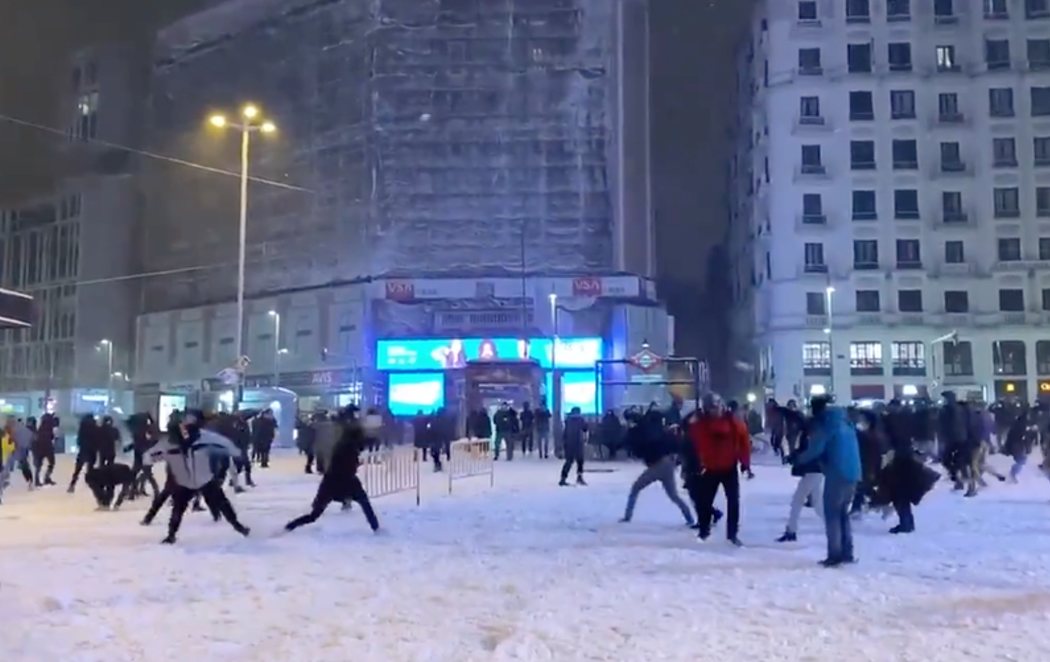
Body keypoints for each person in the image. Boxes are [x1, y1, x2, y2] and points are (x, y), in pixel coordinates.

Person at [144, 412, 250, 544]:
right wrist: (162, 456)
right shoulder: (170, 443)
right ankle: (171, 534)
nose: (185, 431)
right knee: (178, 508)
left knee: (222, 503)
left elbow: (225, 445)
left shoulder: (205, 438)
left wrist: (234, 453)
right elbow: (150, 456)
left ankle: (237, 526)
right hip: (185, 481)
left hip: (203, 478)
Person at [791, 400, 862, 567]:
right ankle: (847, 552)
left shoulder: (828, 426)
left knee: (832, 514)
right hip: (854, 473)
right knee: (843, 513)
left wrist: (798, 459)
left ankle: (834, 554)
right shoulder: (847, 424)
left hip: (837, 473)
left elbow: (815, 449)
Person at [285, 421, 379, 533]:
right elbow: (346, 466)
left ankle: (289, 527)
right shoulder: (348, 447)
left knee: (314, 515)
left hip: (331, 483)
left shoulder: (345, 445)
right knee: (364, 502)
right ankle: (376, 528)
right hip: (343, 481)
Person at [688, 393, 750, 545]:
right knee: (704, 501)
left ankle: (731, 534)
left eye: (716, 407)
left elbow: (743, 442)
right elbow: (693, 440)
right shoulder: (701, 424)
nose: (715, 411)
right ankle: (704, 530)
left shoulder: (733, 422)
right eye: (711, 408)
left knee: (733, 502)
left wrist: (745, 462)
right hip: (711, 467)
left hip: (728, 466)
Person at [621, 415, 694, 526]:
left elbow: (637, 447)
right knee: (673, 495)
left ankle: (627, 516)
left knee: (636, 487)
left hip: (658, 465)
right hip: (667, 463)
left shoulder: (641, 433)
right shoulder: (656, 431)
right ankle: (689, 518)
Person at [777, 406, 822, 542]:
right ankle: (836, 528)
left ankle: (791, 530)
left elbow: (807, 452)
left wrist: (793, 458)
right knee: (818, 504)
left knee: (798, 499)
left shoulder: (809, 431)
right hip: (815, 470)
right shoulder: (809, 429)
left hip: (813, 470)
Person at [0, 417, 34, 503]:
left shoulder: (15, 432)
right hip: (8, 456)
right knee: (5, 473)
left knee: (23, 466)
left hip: (14, 454)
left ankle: (29, 481)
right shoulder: (7, 432)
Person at [68, 415, 100, 493]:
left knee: (78, 469)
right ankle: (91, 484)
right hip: (92, 451)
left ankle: (72, 484)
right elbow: (98, 440)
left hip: (83, 450)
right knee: (90, 469)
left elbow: (78, 441)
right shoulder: (95, 428)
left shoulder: (82, 428)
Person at [559, 407, 589, 486]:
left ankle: (563, 478)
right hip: (578, 443)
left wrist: (563, 443)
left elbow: (564, 433)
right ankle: (579, 477)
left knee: (568, 461)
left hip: (569, 443)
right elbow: (585, 428)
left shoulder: (568, 420)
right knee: (580, 461)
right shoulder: (581, 419)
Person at [32, 413, 58, 487]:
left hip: (39, 448)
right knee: (52, 463)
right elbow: (52, 437)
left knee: (38, 465)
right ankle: (47, 477)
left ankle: (37, 480)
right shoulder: (49, 427)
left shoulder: (40, 428)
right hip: (47, 447)